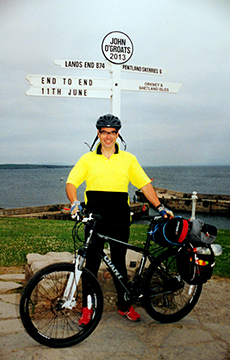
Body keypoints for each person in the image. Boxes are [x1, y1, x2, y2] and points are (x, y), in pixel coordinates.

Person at [66, 114, 173, 326]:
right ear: (98, 134)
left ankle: (125, 305)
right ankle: (88, 308)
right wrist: (74, 202)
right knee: (91, 265)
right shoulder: (87, 159)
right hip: (94, 220)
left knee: (118, 263)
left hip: (120, 220)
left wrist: (159, 207)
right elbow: (71, 182)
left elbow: (144, 185)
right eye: (104, 132)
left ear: (117, 135)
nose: (108, 137)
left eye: (112, 132)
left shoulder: (128, 159)